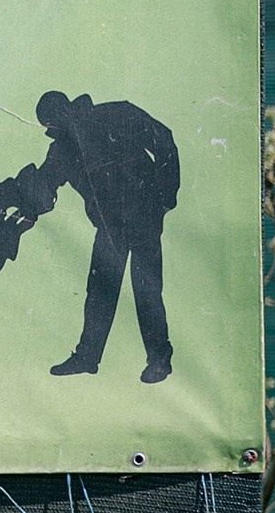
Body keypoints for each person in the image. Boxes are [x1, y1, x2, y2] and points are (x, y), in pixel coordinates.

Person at [33, 90, 178, 383]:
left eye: (54, 122)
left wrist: (166, 195)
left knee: (146, 290)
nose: (54, 129)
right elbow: (42, 185)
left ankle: (159, 361)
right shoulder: (62, 150)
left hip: (144, 216)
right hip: (110, 226)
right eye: (50, 126)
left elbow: (163, 138)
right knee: (99, 292)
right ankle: (87, 358)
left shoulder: (116, 114)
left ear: (67, 110)